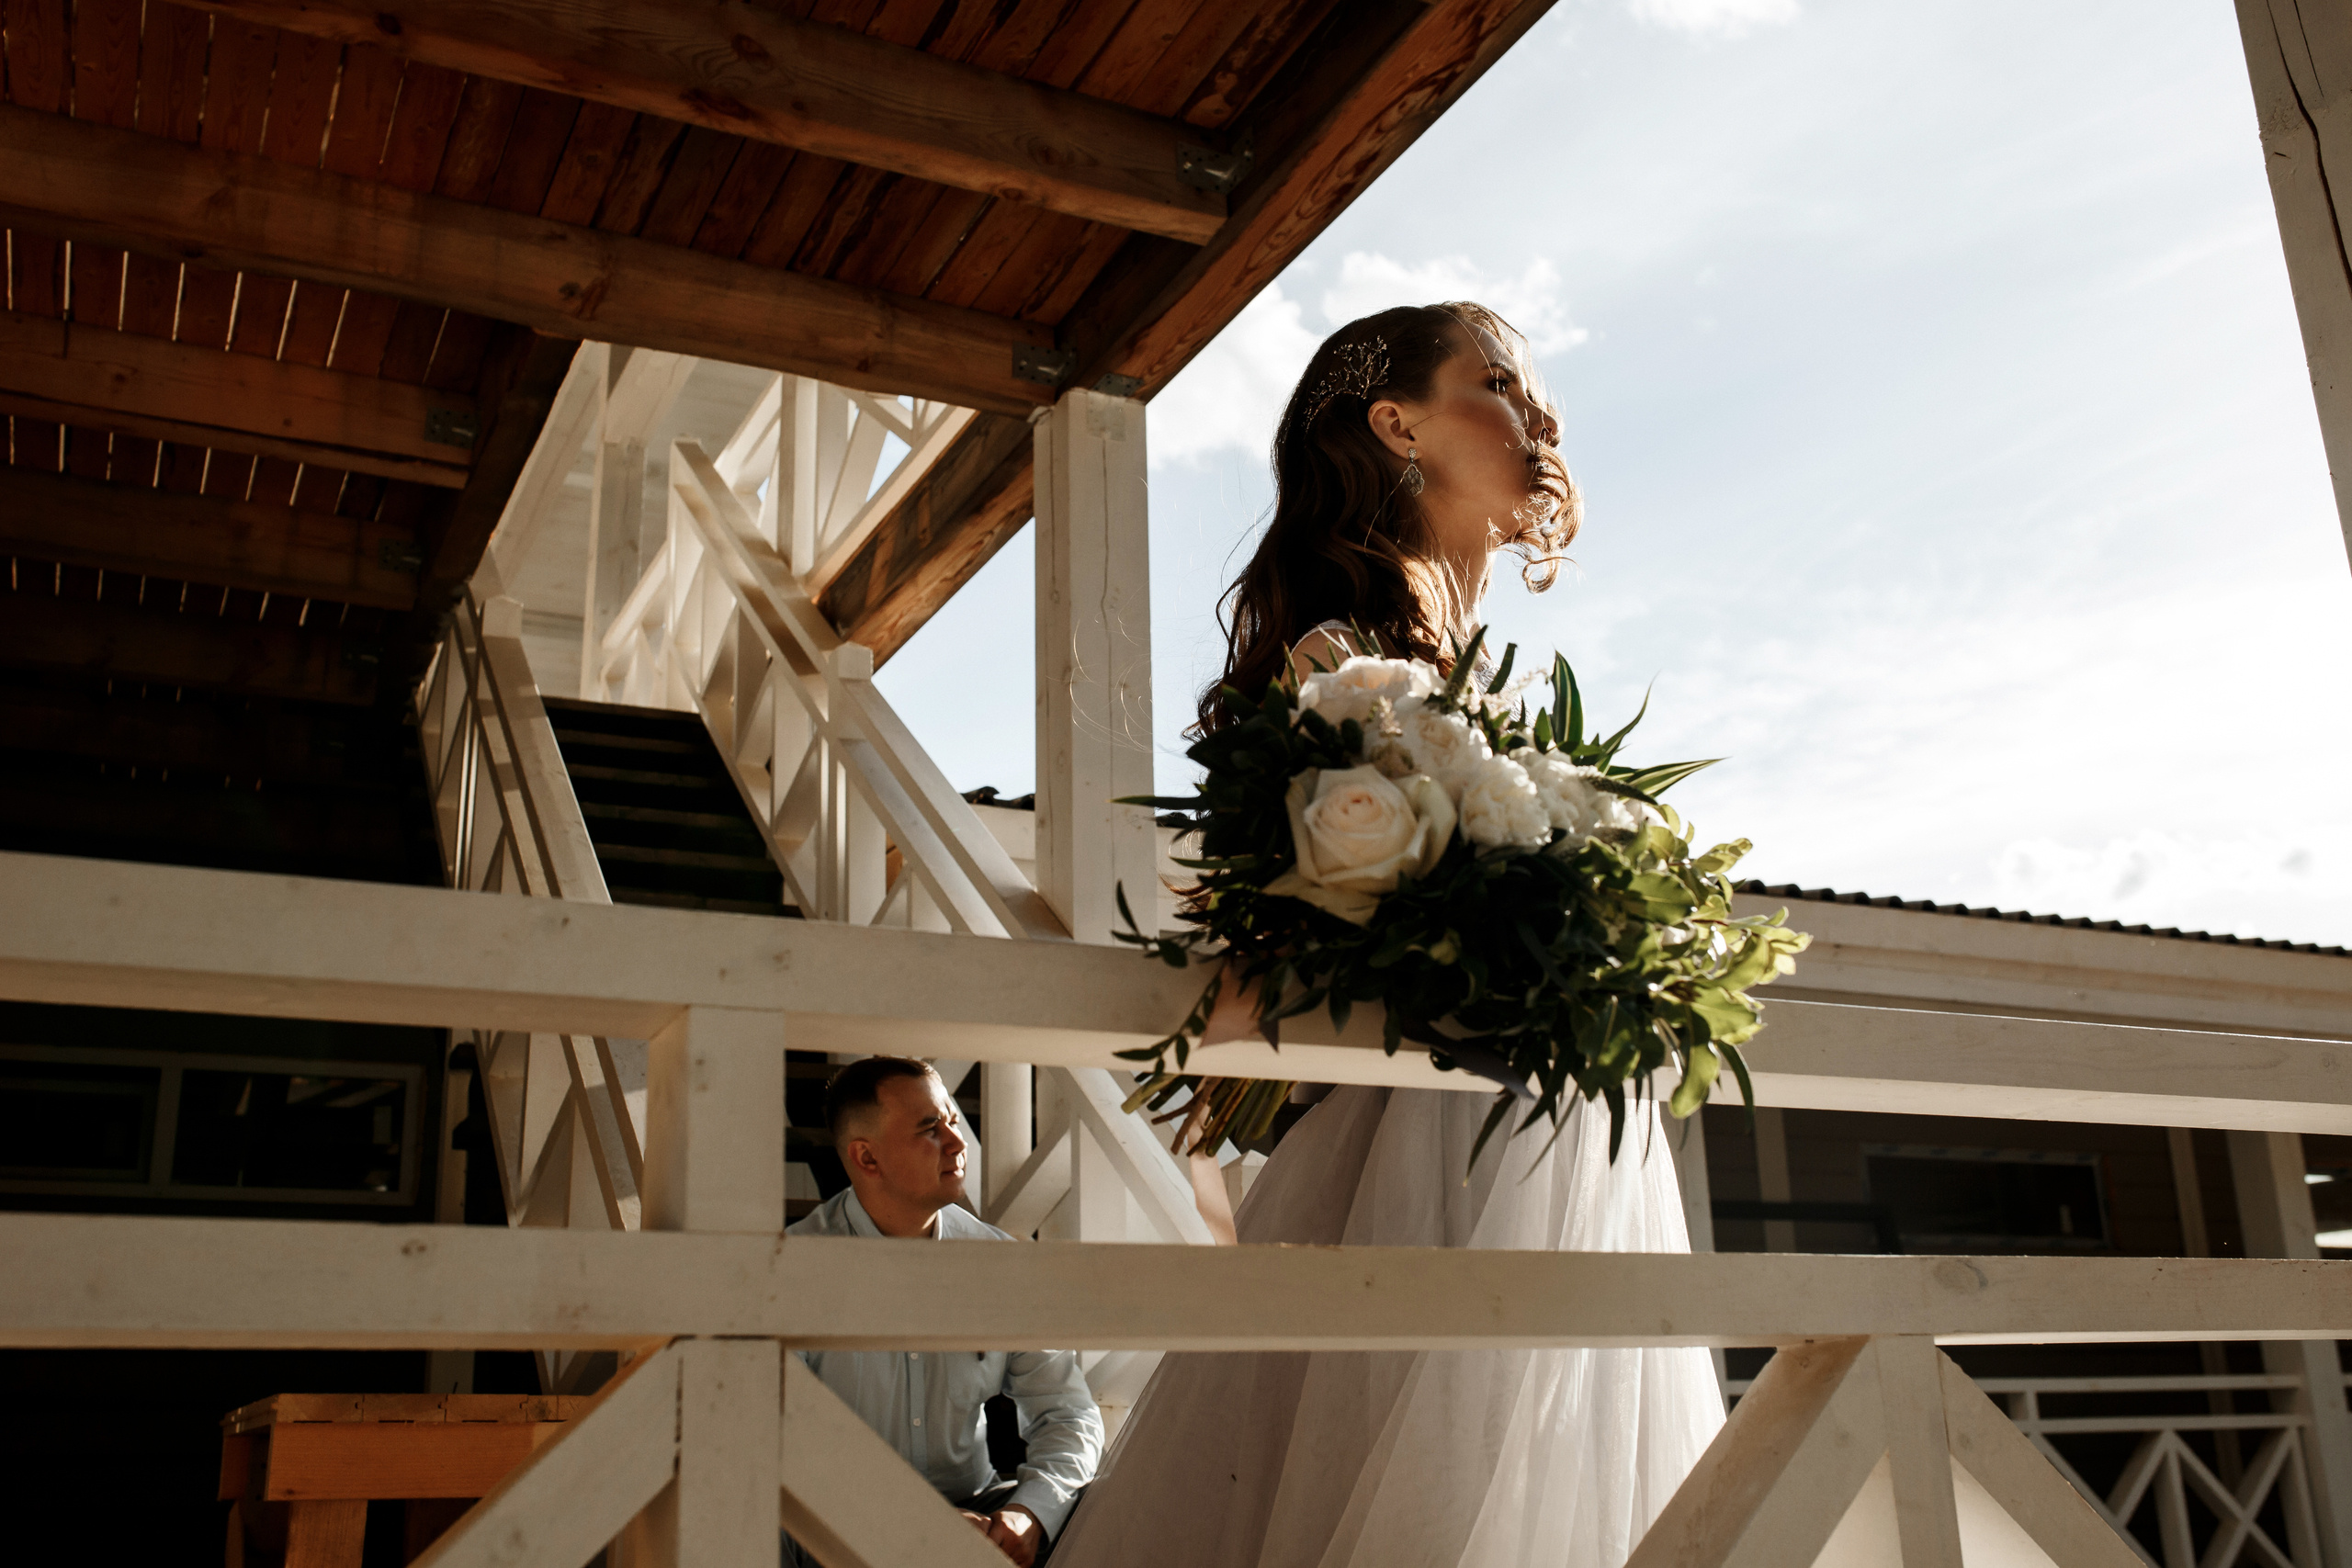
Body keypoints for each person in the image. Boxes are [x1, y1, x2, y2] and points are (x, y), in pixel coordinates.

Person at [1047, 304, 1724, 1568]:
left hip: (1551, 1141)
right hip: (1427, 1159)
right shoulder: (1339, 665)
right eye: (1503, 382)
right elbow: (1298, 952)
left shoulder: (1472, 679)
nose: (1545, 415)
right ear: (1398, 422)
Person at [786, 1056, 1102, 1567]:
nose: (957, 1142)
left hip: (977, 1512)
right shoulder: (791, 1270)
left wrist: (1030, 1512)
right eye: (930, 1129)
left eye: (953, 1120)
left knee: (1109, 1502)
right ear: (867, 1159)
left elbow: (1068, 1412)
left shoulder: (999, 1264)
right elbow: (777, 1444)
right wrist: (910, 1520)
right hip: (839, 1522)